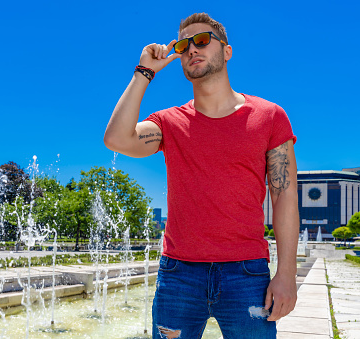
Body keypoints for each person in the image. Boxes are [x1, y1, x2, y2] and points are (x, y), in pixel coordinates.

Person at [104, 13, 299, 339]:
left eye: (203, 40)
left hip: (247, 275)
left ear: (227, 51)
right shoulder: (168, 123)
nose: (192, 48)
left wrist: (287, 274)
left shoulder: (270, 117)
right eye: (183, 44)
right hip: (178, 275)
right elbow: (116, 139)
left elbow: (285, 197)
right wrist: (144, 73)